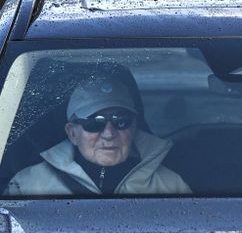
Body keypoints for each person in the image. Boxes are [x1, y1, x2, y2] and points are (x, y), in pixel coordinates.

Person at [4, 75, 192, 195]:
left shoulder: (171, 185)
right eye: (95, 123)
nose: (109, 134)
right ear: (72, 133)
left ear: (134, 128)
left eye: (121, 121)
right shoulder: (27, 185)